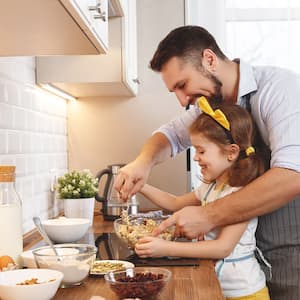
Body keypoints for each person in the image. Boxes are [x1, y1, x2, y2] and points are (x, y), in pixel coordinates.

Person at [114, 26, 300, 299]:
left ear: (209, 60)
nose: (182, 100)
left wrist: (208, 215)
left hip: (291, 245)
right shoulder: (213, 107)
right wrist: (143, 163)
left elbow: (292, 174)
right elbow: (170, 135)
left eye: (182, 85)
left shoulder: (279, 88)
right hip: (251, 257)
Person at [135, 97, 270, 299]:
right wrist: (141, 185)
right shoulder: (211, 187)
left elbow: (223, 247)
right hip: (218, 286)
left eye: (201, 150)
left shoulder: (241, 194)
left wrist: (164, 248)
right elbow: (174, 203)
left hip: (246, 293)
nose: (196, 157)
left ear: (231, 152)